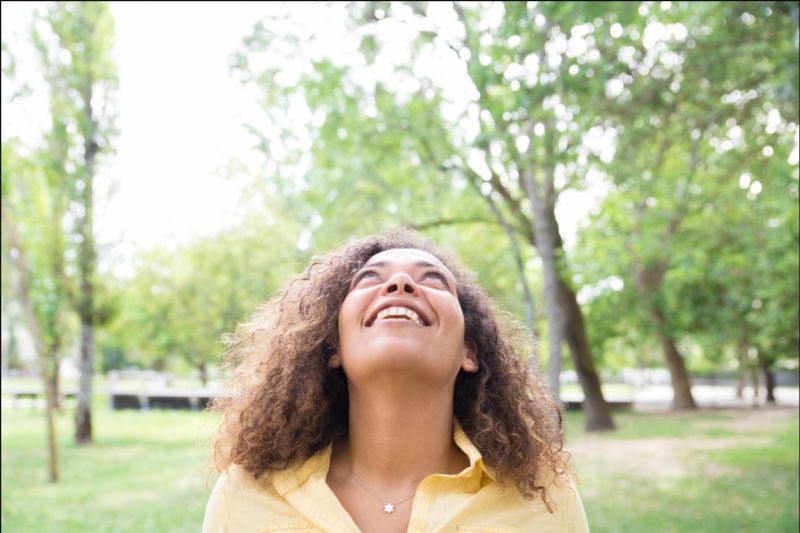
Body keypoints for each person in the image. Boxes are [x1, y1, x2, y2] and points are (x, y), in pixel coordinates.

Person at [202, 229, 589, 533]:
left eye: (434, 279)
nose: (401, 283)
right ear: (333, 346)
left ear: (469, 352)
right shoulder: (246, 493)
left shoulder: (547, 499)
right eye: (370, 277)